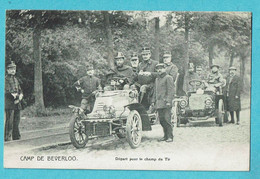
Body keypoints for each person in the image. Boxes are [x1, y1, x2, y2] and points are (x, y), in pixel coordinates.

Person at [151, 63, 174, 142]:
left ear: (165, 69)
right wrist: (153, 101)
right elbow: (155, 91)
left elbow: (171, 90)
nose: (159, 70)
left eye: (161, 68)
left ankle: (170, 136)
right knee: (162, 120)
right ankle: (165, 136)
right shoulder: (157, 79)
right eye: (158, 69)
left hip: (166, 103)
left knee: (167, 120)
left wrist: (168, 101)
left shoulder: (168, 78)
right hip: (159, 104)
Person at [5, 61, 23, 141]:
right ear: (7, 70)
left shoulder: (16, 80)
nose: (13, 70)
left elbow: (20, 90)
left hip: (17, 103)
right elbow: (5, 91)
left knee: (17, 120)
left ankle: (16, 136)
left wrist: (20, 96)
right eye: (11, 69)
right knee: (10, 121)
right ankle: (7, 137)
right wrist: (14, 96)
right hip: (9, 103)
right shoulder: (5, 79)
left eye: (14, 68)